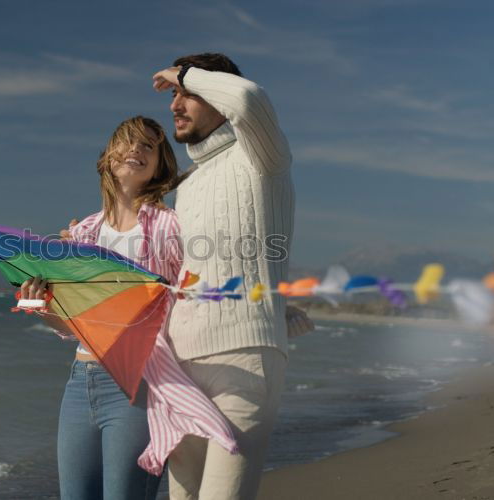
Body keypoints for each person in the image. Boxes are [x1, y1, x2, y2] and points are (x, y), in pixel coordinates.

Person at [21, 116, 238, 500]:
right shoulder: (83, 234)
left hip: (137, 384)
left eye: (149, 146)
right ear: (107, 158)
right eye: (128, 142)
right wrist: (40, 304)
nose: (136, 149)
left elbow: (199, 293)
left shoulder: (170, 228)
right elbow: (75, 324)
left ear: (160, 166)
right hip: (80, 381)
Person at [151, 53, 310, 499]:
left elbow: (249, 98)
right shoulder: (188, 183)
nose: (175, 105)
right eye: (175, 96)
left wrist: (184, 74)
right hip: (179, 365)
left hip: (243, 357)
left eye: (188, 95)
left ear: (216, 93)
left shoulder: (263, 155)